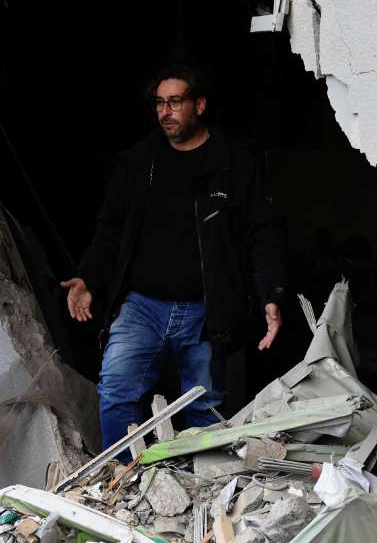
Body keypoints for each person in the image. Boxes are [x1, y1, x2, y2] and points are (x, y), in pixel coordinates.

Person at [61, 64, 286, 455]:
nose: (165, 112)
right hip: (142, 307)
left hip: (206, 311)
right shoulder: (139, 163)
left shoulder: (233, 163)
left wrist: (271, 293)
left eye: (175, 102)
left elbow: (262, 234)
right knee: (116, 389)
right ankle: (118, 479)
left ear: (199, 105)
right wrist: (88, 279)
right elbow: (110, 230)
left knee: (204, 405)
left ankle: (201, 489)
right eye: (160, 103)